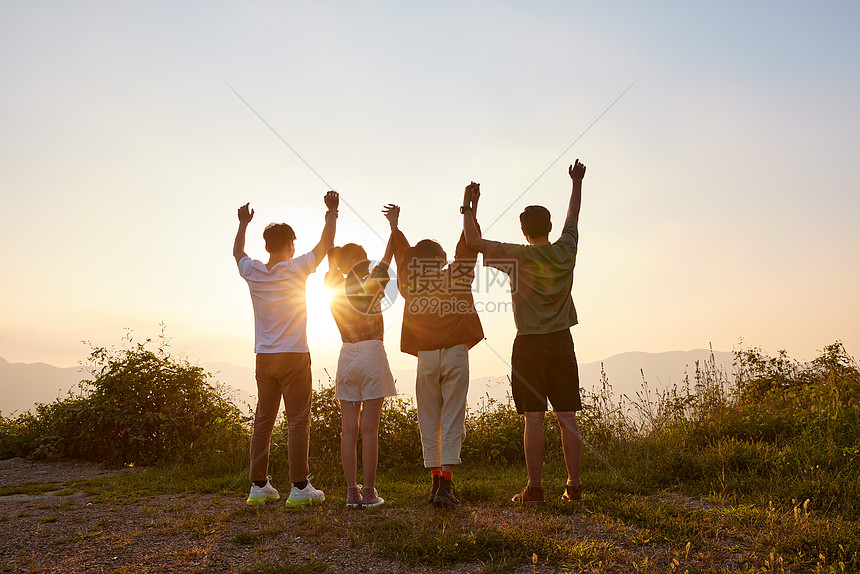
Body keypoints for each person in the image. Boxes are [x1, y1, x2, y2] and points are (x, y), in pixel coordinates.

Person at [462, 160, 586, 504]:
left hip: (528, 344)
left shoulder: (516, 256)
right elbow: (573, 217)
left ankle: (534, 488)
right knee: (567, 416)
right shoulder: (566, 249)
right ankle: (573, 487)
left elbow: (473, 241)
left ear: (523, 231)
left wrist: (469, 205)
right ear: (550, 226)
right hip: (562, 341)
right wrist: (576, 183)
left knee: (533, 418)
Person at [234, 191, 339, 507]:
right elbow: (325, 245)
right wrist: (331, 212)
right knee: (297, 421)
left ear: (266, 246)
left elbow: (238, 251)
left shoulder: (252, 271)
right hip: (293, 355)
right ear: (290, 245)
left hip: (264, 357)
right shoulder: (296, 267)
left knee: (263, 421)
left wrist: (242, 224)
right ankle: (299, 487)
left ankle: (258, 486)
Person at [390, 191, 484, 507]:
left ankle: (435, 483)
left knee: (429, 418)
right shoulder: (456, 275)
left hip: (426, 357)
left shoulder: (409, 283)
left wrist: (394, 226)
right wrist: (469, 210)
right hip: (456, 353)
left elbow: (402, 253)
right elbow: (467, 247)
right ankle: (446, 486)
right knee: (452, 417)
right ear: (442, 260)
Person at [324, 207, 399, 508]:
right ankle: (369, 493)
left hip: (346, 356)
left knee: (348, 430)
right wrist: (393, 224)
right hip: (372, 354)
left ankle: (351, 492)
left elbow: (329, 250)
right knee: (370, 430)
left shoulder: (333, 283)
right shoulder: (372, 282)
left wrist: (331, 214)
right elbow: (390, 252)